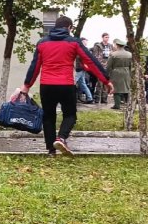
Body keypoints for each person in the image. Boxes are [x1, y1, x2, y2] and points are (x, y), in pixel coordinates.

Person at [20, 15, 112, 156]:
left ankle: (51, 150)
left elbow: (35, 66)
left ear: (55, 27)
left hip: (47, 85)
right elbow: (91, 61)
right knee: (70, 115)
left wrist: (27, 85)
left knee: (48, 116)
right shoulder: (74, 42)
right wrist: (106, 80)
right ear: (69, 28)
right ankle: (61, 138)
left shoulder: (42, 43)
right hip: (66, 85)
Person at [107, 38, 132, 110]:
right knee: (127, 88)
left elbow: (109, 66)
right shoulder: (129, 54)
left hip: (116, 72)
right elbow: (131, 65)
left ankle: (117, 105)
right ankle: (129, 104)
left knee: (116, 89)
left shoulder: (113, 54)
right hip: (127, 72)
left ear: (117, 45)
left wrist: (107, 74)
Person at [91, 33, 113, 103]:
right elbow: (95, 56)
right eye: (106, 37)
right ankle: (97, 99)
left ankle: (104, 99)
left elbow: (112, 55)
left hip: (107, 66)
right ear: (102, 37)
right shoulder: (98, 46)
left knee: (106, 83)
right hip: (100, 66)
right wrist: (101, 63)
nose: (107, 39)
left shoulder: (110, 46)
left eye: (108, 37)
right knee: (99, 83)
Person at [75, 38, 93, 104]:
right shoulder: (84, 49)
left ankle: (69, 98)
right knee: (83, 84)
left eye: (86, 42)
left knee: (73, 82)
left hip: (79, 68)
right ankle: (89, 97)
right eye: (85, 42)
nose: (86, 43)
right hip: (82, 68)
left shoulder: (81, 49)